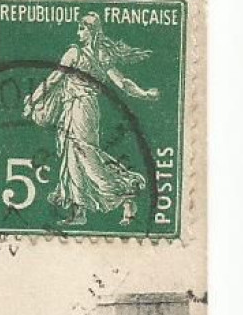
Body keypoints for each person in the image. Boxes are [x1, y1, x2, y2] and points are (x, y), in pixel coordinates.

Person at [22, 12, 161, 228]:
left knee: (85, 155)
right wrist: (143, 93)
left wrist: (32, 100)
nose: (79, 32)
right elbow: (122, 82)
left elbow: (53, 79)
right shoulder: (97, 55)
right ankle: (79, 211)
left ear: (91, 31)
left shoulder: (76, 54)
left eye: (82, 28)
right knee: (74, 156)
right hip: (80, 109)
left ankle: (126, 191)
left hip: (81, 108)